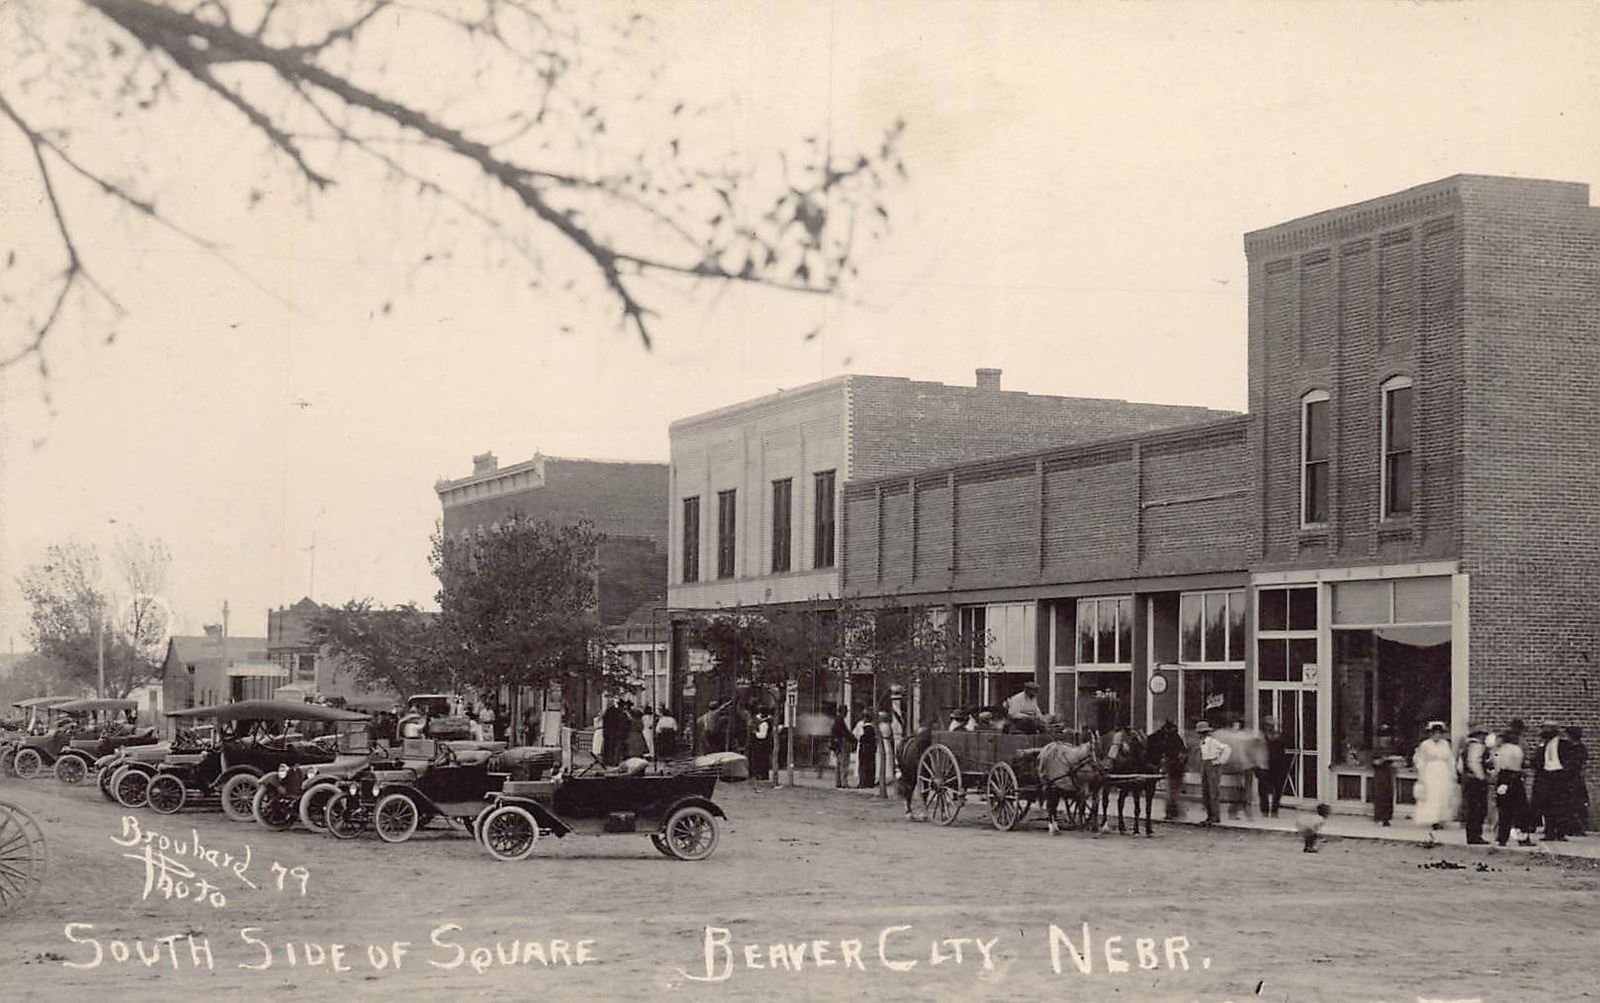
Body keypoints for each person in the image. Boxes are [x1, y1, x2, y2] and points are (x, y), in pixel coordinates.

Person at [1532, 720, 1573, 841]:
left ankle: (1561, 833)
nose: (1544, 731)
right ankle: (1549, 832)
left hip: (1559, 776)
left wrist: (1565, 772)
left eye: (1547, 728)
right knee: (1547, 805)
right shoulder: (1542, 746)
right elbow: (1537, 762)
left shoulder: (1564, 744)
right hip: (1546, 777)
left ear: (1554, 730)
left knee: (1560, 805)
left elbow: (1571, 760)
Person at [1412, 721, 1458, 829]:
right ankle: (1433, 819)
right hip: (1431, 771)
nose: (1437, 735)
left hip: (1443, 771)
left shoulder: (1445, 744)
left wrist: (1453, 772)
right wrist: (1421, 774)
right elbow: (1420, 759)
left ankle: (1441, 818)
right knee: (1433, 794)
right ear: (1431, 734)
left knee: (1443, 794)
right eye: (1435, 733)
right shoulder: (1425, 745)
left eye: (1439, 733)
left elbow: (1450, 759)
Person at [1494, 724, 1534, 847]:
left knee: (1504, 810)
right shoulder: (1516, 750)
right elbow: (1519, 764)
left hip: (1502, 778)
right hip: (1514, 778)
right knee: (1521, 810)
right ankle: (1522, 838)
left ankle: (1502, 837)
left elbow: (1496, 765)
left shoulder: (1499, 751)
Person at [1459, 723, 1492, 844]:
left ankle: (1473, 835)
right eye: (1484, 735)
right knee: (1478, 808)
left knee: (1473, 808)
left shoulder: (1466, 746)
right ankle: (1475, 836)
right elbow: (1474, 763)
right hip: (1476, 781)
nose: (1485, 737)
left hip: (1469, 780)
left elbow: (1460, 766)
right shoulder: (1477, 746)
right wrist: (1481, 777)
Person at [1150, 720, 1189, 821]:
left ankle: (1171, 813)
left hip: (1174, 768)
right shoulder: (1176, 739)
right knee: (1173, 792)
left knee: (1171, 792)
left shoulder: (1171, 739)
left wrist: (1167, 764)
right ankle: (1175, 812)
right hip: (1177, 768)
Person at [896, 723, 934, 820]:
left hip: (914, 764)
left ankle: (909, 809)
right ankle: (917, 809)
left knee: (909, 783)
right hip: (916, 765)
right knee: (912, 783)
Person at [1196, 721, 1229, 825]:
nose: (1201, 735)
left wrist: (1220, 760)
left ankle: (1215, 816)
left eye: (1202, 733)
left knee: (1213, 791)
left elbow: (1227, 748)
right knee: (1206, 791)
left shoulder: (1213, 742)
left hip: (1213, 765)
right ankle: (1210, 815)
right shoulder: (1202, 743)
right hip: (1205, 764)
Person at [1371, 723, 1401, 827]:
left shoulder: (1392, 748)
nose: (1385, 739)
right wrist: (1382, 760)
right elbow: (1373, 762)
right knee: (1380, 794)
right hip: (1379, 774)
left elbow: (1398, 760)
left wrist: (1394, 761)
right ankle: (1379, 816)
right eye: (1383, 737)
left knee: (1389, 795)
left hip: (1389, 773)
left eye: (1387, 736)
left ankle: (1387, 817)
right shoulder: (1376, 749)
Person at [1260, 717, 1289, 817]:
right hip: (1265, 765)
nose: (1270, 727)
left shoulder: (1278, 736)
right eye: (1268, 725)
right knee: (1264, 790)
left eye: (1271, 725)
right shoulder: (1260, 737)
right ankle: (1266, 810)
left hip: (1277, 765)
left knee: (1277, 789)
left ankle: (1273, 810)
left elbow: (1283, 750)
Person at [1566, 727, 1590, 836]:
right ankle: (1575, 827)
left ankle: (1578, 828)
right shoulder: (1579, 748)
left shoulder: (1577, 749)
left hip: (1574, 779)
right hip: (1576, 779)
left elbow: (1575, 765)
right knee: (1575, 803)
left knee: (1575, 803)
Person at [747, 709, 774, 788]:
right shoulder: (767, 720)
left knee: (761, 760)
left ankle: (762, 775)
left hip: (762, 744)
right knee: (762, 760)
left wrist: (755, 732)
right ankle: (762, 774)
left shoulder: (764, 723)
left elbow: (762, 735)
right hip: (764, 744)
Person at [830, 707, 855, 789]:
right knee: (844, 764)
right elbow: (845, 733)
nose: (847, 713)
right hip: (842, 744)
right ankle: (844, 783)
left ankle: (838, 782)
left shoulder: (837, 720)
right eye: (846, 711)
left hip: (837, 745)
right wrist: (853, 739)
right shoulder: (840, 721)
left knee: (838, 764)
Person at [855, 707, 878, 788]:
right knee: (870, 766)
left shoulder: (866, 728)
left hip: (864, 750)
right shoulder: (874, 728)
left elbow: (859, 737)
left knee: (863, 766)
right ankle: (869, 782)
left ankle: (863, 782)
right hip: (870, 750)